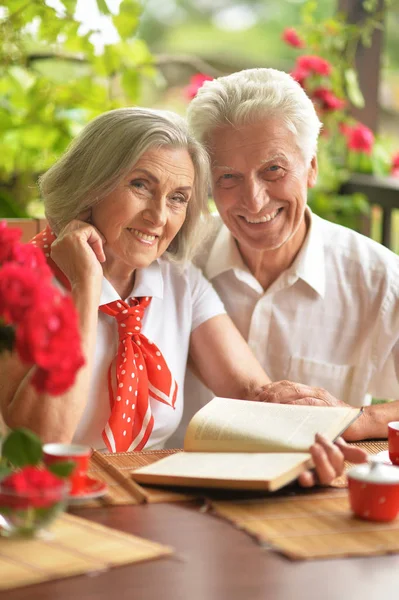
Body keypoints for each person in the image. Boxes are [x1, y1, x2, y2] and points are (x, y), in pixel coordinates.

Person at [0, 107, 366, 486]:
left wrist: (307, 445)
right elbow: (41, 447)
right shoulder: (17, 283)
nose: (158, 217)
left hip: (151, 502)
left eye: (177, 198)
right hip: (38, 508)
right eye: (140, 185)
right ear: (91, 185)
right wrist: (86, 287)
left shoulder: (182, 284)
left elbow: (251, 395)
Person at [182, 67, 399, 442]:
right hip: (178, 484)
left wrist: (357, 420)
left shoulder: (378, 276)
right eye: (228, 177)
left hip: (314, 489)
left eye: (273, 170)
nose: (254, 200)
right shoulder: (176, 261)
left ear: (311, 168)